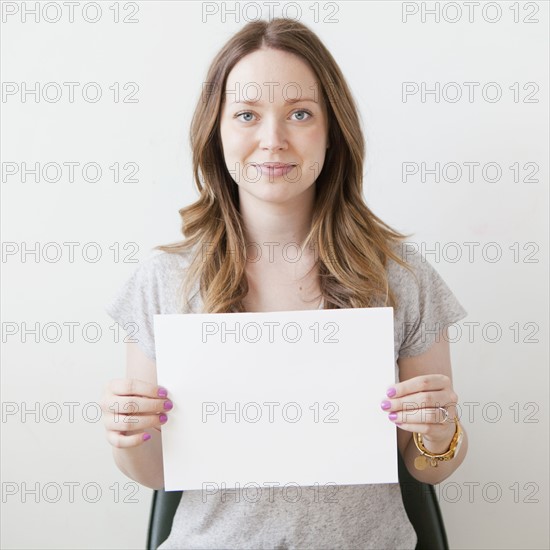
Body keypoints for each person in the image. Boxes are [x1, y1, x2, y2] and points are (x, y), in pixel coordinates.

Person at [102, 18, 469, 549]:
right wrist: (127, 436)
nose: (272, 140)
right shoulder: (164, 280)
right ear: (217, 130)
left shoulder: (400, 275)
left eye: (300, 114)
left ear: (332, 130)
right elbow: (157, 473)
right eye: (247, 115)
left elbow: (432, 467)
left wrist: (438, 435)